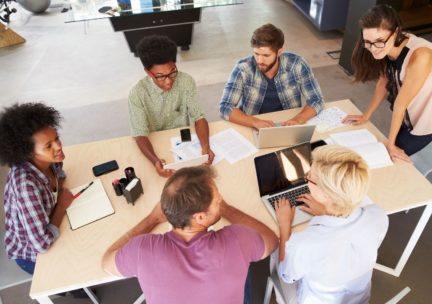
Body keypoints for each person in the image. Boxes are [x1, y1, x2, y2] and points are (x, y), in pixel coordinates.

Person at [102, 166, 278, 303]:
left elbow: (106, 262)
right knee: (243, 267)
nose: (221, 200)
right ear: (200, 217)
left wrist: (152, 219)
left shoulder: (142, 249)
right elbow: (270, 241)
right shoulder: (237, 240)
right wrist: (226, 209)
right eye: (218, 200)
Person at [275, 145, 388, 304]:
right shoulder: (378, 215)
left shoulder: (307, 243)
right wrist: (326, 211)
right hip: (359, 298)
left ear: (327, 195)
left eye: (309, 177)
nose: (306, 176)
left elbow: (286, 275)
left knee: (276, 253)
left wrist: (284, 224)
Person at [343, 4, 432, 161]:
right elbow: (384, 80)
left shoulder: (421, 57)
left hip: (426, 121)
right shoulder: (389, 45)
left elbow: (400, 104)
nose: (373, 49)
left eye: (378, 41)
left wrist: (390, 145)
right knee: (386, 151)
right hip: (408, 115)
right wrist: (366, 115)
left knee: (387, 157)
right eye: (368, 42)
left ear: (396, 33)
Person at [0, 103, 74, 275]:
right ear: (27, 153)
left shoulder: (49, 161)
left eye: (56, 138)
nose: (58, 146)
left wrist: (59, 186)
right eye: (48, 146)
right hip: (33, 257)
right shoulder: (25, 186)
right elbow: (41, 245)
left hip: (46, 225)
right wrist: (61, 205)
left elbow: (60, 174)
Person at [129, 35, 215, 178]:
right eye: (161, 76)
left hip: (183, 144)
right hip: (155, 144)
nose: (168, 81)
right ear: (147, 72)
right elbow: (140, 134)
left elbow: (198, 117)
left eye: (172, 72)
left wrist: (205, 146)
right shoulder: (137, 94)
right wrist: (155, 160)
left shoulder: (186, 81)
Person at [219, 23, 324, 128]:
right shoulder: (243, 68)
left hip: (288, 122)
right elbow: (225, 107)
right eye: (256, 54)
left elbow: (317, 100)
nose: (260, 60)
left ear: (279, 52)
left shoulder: (297, 64)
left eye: (266, 55)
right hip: (253, 124)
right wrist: (254, 122)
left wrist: (298, 120)